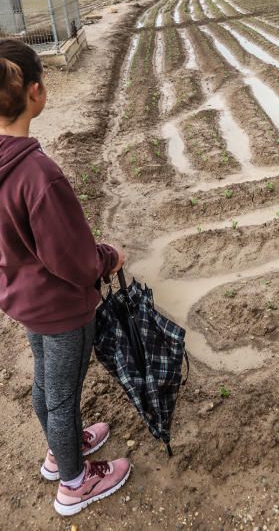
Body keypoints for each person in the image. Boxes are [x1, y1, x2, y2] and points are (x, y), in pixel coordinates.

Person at [0, 39, 130, 517]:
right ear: (37, 92)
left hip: (23, 298)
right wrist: (108, 257)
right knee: (63, 393)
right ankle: (73, 482)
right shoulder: (38, 175)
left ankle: (64, 449)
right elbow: (73, 262)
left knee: (48, 384)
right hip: (60, 309)